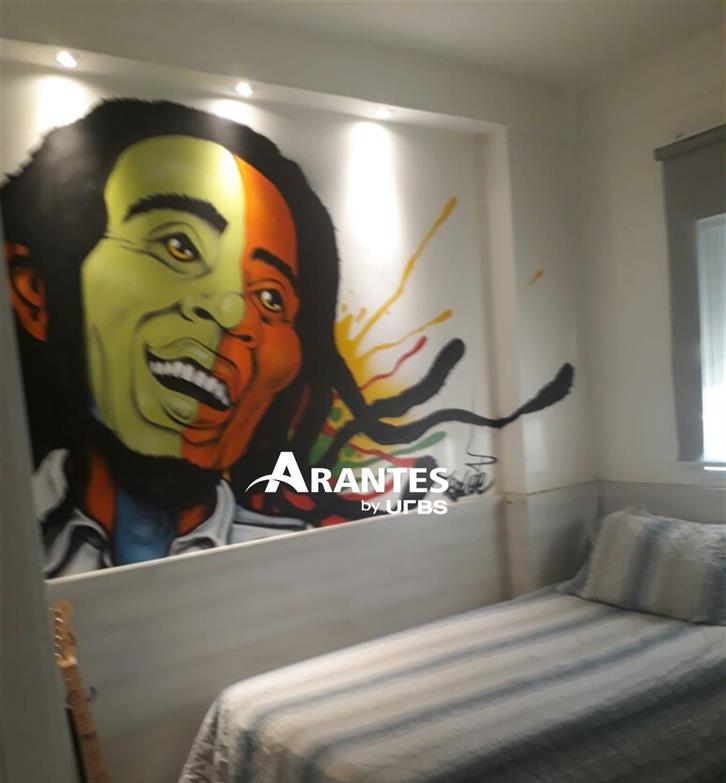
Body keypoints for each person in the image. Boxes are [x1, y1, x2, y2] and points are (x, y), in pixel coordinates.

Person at [2, 99, 573, 577]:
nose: (232, 314)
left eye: (271, 297)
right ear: (35, 292)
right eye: (179, 246)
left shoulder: (290, 555)